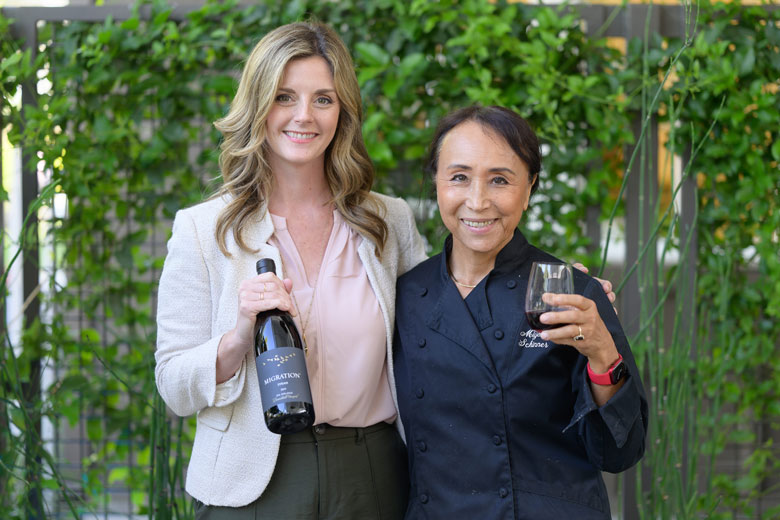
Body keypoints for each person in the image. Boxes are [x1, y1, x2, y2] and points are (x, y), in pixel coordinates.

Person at [155, 21, 427, 519]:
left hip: (374, 472)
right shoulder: (201, 230)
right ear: (258, 105)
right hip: (254, 482)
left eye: (323, 99)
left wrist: (538, 290)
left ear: (342, 109)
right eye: (284, 96)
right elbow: (174, 385)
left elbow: (444, 324)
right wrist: (238, 337)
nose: (304, 116)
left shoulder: (389, 221)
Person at [393, 106, 648, 519]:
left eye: (499, 180)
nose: (477, 201)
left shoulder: (570, 290)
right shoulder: (405, 296)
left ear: (528, 189)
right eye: (459, 177)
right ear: (437, 184)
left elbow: (621, 451)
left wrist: (603, 354)